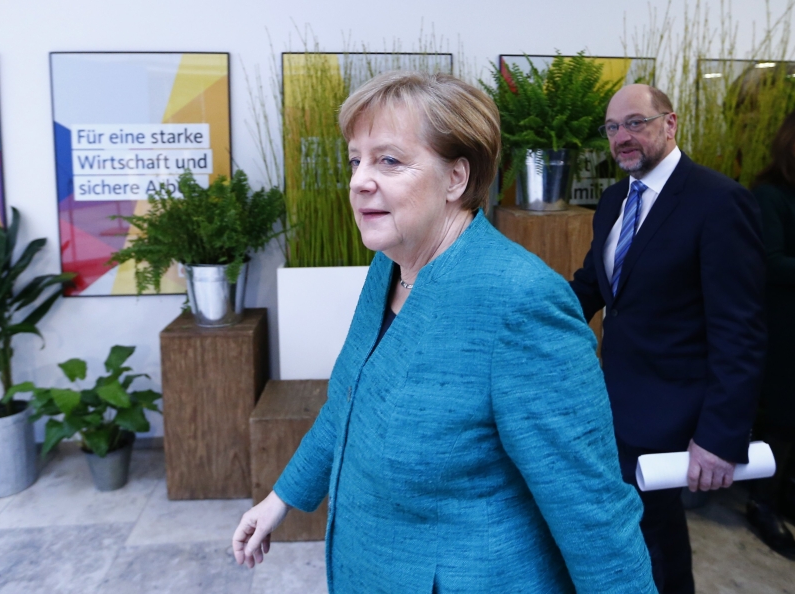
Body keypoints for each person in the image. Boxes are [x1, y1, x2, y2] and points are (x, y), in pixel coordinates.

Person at [232, 71, 656, 593]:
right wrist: (282, 498)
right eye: (355, 159)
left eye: (388, 159)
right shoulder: (389, 265)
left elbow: (592, 511)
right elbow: (350, 401)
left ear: (456, 178)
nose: (359, 178)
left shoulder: (519, 300)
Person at [569, 84, 767, 593]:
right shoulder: (614, 201)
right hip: (615, 403)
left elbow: (739, 330)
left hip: (677, 413)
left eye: (635, 122)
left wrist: (720, 439)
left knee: (657, 538)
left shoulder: (720, 202)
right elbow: (592, 285)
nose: (622, 137)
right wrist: (519, 313)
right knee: (630, 527)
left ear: (670, 123)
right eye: (613, 128)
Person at [746, 109, 795, 559]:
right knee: (782, 421)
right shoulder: (769, 195)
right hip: (782, 332)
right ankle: (762, 503)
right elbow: (771, 262)